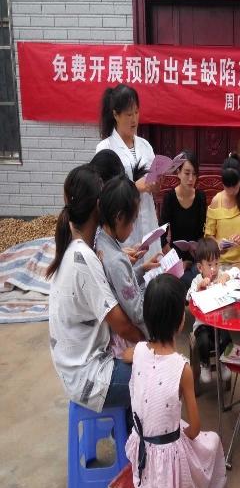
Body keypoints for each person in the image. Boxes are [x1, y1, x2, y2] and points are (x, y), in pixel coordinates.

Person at [125, 274, 226, 488]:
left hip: (141, 455)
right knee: (211, 441)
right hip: (168, 467)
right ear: (181, 321)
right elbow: (195, 428)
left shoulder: (138, 351)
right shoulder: (182, 368)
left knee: (173, 425)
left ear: (147, 317)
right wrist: (179, 442)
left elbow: (126, 354)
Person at [47, 165, 144, 413]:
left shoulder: (78, 245)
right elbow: (122, 325)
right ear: (99, 205)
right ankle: (141, 437)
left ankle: (129, 427)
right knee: (164, 376)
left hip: (75, 365)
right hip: (90, 375)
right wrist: (153, 343)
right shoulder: (83, 259)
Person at [95, 175, 162, 358]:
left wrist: (143, 269)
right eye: (132, 220)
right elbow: (137, 312)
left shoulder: (100, 239)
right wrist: (156, 335)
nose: (133, 227)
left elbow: (122, 285)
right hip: (127, 343)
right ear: (119, 217)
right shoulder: (117, 260)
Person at [96, 84, 160, 261]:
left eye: (136, 113)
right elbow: (104, 191)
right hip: (123, 227)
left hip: (148, 221)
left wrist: (155, 185)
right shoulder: (105, 148)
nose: (134, 119)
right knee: (128, 268)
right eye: (129, 114)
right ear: (116, 115)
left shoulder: (145, 146)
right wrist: (135, 187)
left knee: (153, 266)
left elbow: (154, 187)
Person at [186, 237, 240, 384]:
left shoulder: (222, 275)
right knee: (203, 341)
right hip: (202, 325)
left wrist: (227, 276)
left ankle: (223, 362)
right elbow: (188, 297)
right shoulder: (197, 280)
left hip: (220, 322)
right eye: (210, 265)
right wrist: (199, 287)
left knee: (226, 339)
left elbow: (237, 272)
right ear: (200, 267)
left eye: (217, 263)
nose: (214, 268)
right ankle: (204, 364)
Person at [159, 150, 207, 291]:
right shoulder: (170, 198)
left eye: (194, 174)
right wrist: (177, 262)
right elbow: (162, 236)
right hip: (175, 257)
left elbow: (202, 233)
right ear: (178, 172)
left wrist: (195, 254)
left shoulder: (200, 197)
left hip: (195, 257)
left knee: (198, 279)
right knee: (176, 282)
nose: (191, 178)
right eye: (187, 173)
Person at [205, 153, 240, 276]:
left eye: (234, 186)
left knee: (235, 278)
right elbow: (209, 236)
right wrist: (219, 244)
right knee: (218, 281)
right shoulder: (216, 201)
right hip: (218, 262)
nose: (231, 191)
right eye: (227, 186)